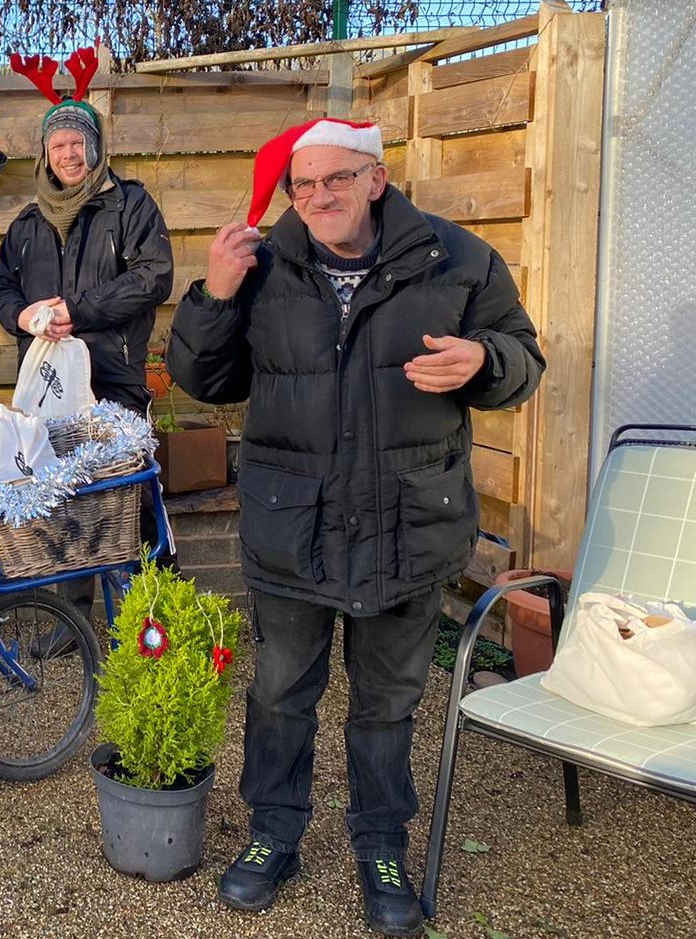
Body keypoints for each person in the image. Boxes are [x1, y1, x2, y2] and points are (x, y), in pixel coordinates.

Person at [167, 117, 545, 937]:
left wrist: (485, 361)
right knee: (279, 693)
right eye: (302, 185)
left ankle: (381, 845)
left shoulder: (456, 259)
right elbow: (203, 380)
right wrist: (213, 296)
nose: (318, 197)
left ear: (376, 178)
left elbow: (523, 359)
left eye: (336, 178)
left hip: (407, 527)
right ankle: (274, 834)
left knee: (386, 704)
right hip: (292, 528)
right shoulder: (263, 264)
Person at [0, 52, 174, 632]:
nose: (68, 154)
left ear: (94, 148)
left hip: (113, 379)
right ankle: (72, 623)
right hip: (47, 388)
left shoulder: (131, 205)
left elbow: (154, 276)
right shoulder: (27, 224)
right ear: (45, 153)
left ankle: (155, 618)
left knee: (130, 498)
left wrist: (80, 310)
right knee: (61, 502)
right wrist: (23, 317)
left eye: (77, 143)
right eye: (58, 144)